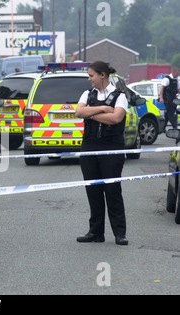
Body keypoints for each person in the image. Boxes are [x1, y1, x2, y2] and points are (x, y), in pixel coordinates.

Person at [75, 61, 129, 246]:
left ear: (102, 75)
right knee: (93, 190)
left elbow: (116, 118)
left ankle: (120, 233)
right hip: (89, 146)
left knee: (112, 190)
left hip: (111, 146)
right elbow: (78, 112)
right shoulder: (87, 94)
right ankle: (96, 232)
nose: (89, 79)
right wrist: (103, 109)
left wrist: (90, 114)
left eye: (91, 75)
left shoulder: (120, 95)